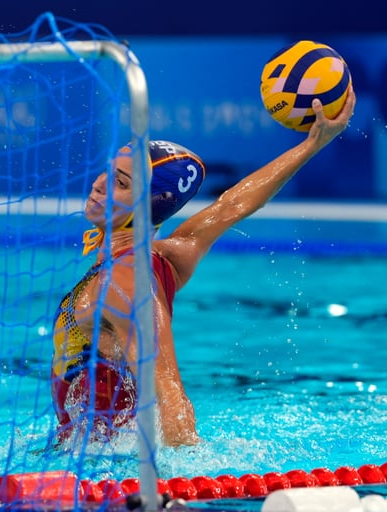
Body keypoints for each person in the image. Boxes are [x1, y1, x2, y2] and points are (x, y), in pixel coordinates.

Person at [51, 90, 356, 448]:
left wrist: (182, 476)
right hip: (99, 454)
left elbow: (168, 390)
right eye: (108, 172)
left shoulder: (125, 281)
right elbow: (231, 205)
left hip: (104, 470)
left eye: (120, 183)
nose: (99, 184)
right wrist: (313, 144)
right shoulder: (166, 256)